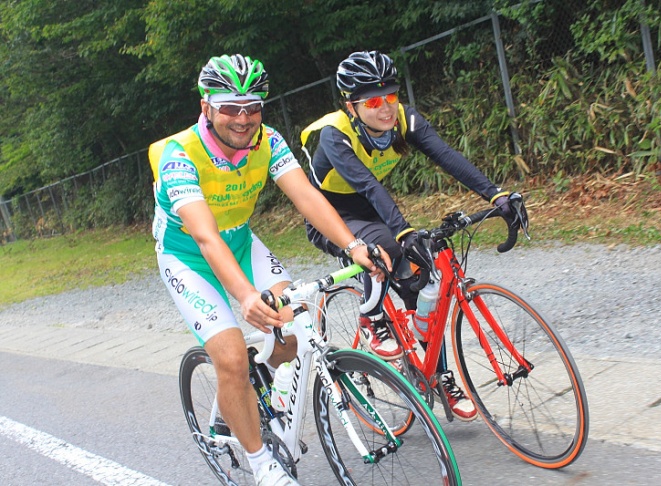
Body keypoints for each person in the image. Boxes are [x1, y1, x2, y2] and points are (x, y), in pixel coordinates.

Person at [149, 54, 387, 486]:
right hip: (188, 256)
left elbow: (308, 198)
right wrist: (244, 297)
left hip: (239, 241)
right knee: (231, 356)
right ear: (206, 107)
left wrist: (354, 246)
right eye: (229, 107)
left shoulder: (268, 140)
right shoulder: (178, 155)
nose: (243, 118)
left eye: (253, 106)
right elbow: (204, 237)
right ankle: (261, 463)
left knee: (294, 331)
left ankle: (268, 383)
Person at [301, 50, 525, 422]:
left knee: (422, 284)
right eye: (374, 101)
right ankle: (372, 319)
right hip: (331, 216)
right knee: (385, 247)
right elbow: (368, 186)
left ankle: (435, 373)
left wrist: (497, 195)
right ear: (351, 106)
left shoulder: (406, 120)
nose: (387, 107)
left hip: (371, 210)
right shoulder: (333, 135)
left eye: (391, 95)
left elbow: (448, 157)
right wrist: (403, 231)